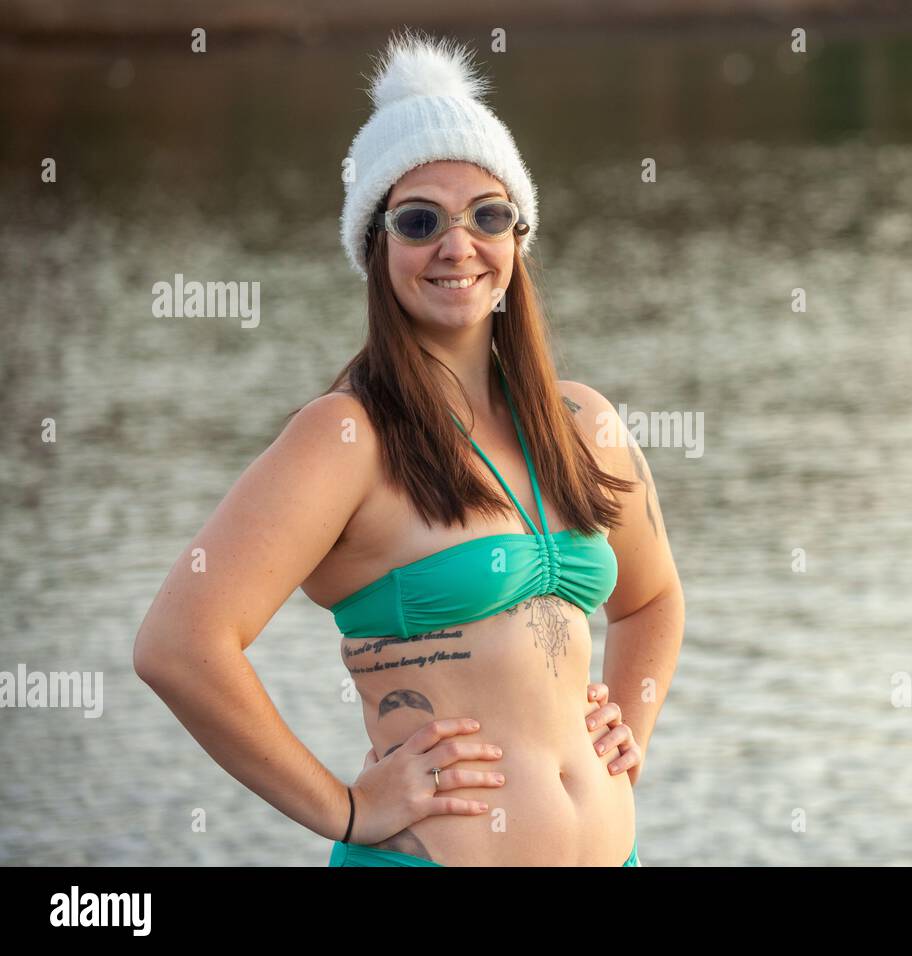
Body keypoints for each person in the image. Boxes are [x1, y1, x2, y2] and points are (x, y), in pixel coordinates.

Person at [133, 27, 685, 867]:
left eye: (488, 215)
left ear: (517, 237)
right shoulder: (347, 437)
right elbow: (179, 645)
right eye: (420, 220)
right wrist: (346, 810)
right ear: (376, 245)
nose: (457, 246)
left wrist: (628, 728)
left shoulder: (583, 423)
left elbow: (651, 602)